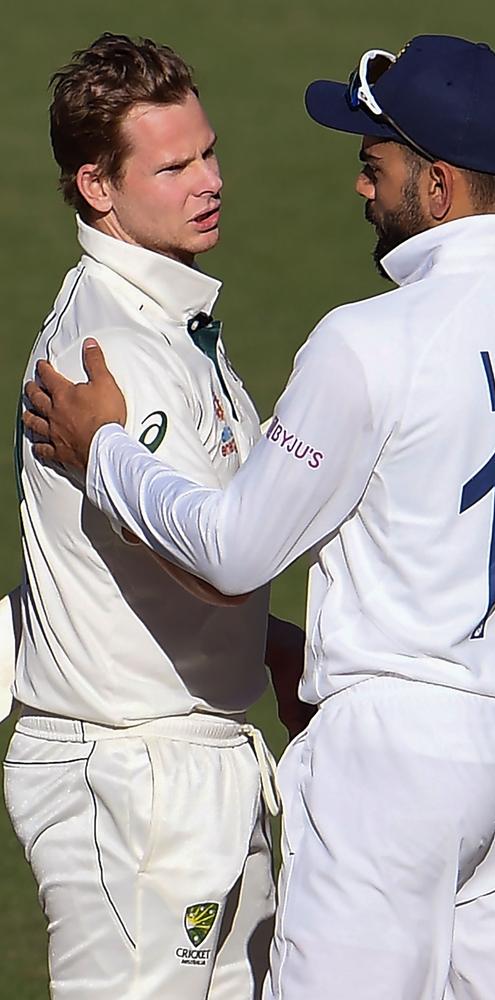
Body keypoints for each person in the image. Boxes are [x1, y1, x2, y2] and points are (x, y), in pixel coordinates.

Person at [23, 34, 495, 1000]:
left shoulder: (370, 340)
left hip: (392, 759)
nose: (364, 189)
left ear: (437, 186)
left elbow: (235, 551)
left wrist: (104, 451)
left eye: (377, 165)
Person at [7, 32, 310, 1000]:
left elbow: (182, 543)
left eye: (208, 151)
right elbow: (207, 556)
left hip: (195, 757)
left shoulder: (173, 322)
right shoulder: (111, 350)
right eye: (174, 166)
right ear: (98, 186)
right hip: (134, 774)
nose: (209, 180)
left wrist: (266, 639)